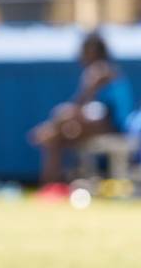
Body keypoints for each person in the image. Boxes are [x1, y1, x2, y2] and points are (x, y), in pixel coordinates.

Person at [29, 31, 134, 194]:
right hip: (101, 123)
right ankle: (53, 187)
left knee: (62, 119)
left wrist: (58, 121)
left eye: (85, 50)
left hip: (114, 126)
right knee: (56, 138)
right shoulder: (103, 70)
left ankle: (49, 186)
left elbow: (81, 103)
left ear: (93, 51)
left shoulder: (100, 70)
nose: (82, 55)